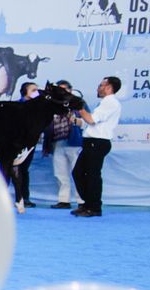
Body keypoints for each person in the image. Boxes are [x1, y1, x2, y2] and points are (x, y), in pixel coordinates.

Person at [71, 76, 121, 218]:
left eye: (101, 85)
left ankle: (94, 207)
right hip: (92, 142)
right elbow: (89, 122)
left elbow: (91, 120)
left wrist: (79, 106)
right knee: (79, 173)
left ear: (109, 87)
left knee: (92, 175)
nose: (98, 88)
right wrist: (75, 120)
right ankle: (88, 204)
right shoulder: (104, 103)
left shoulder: (110, 103)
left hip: (97, 142)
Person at [48, 80, 84, 209]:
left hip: (74, 142)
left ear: (70, 90)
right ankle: (64, 200)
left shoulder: (78, 103)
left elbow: (87, 120)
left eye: (64, 90)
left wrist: (74, 119)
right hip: (58, 142)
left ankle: (82, 201)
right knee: (60, 173)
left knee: (78, 173)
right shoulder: (52, 105)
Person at [10, 82, 42, 209]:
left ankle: (24, 197)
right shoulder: (16, 106)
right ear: (25, 92)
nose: (37, 92)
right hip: (15, 142)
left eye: (37, 90)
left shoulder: (39, 107)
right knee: (11, 169)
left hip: (30, 143)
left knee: (24, 170)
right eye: (33, 90)